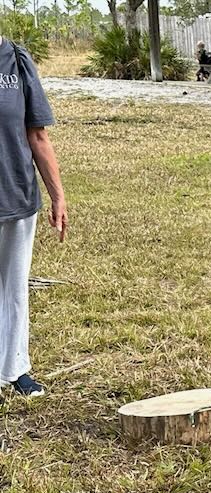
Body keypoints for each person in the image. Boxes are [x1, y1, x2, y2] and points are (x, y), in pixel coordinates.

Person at [0, 35, 66, 399]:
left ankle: (16, 368)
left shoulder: (15, 60)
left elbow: (37, 134)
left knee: (14, 288)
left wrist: (57, 195)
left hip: (16, 192)